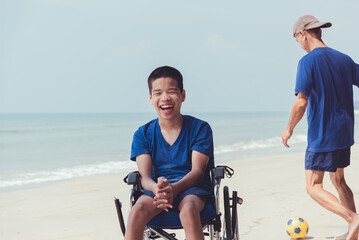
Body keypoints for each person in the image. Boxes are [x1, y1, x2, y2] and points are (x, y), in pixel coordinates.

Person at [281, 15, 359, 240]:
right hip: (345, 132)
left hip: (323, 135)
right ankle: (353, 233)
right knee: (338, 180)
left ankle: (354, 219)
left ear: (303, 34)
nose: (298, 44)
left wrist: (289, 129)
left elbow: (301, 101)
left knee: (314, 186)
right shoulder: (344, 59)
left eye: (296, 39)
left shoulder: (307, 62)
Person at [124, 66, 214, 240]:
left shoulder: (200, 128)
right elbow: (145, 177)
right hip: (156, 191)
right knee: (136, 211)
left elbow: (197, 172)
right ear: (150, 98)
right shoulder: (142, 134)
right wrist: (157, 189)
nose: (165, 98)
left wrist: (175, 188)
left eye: (171, 91)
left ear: (183, 95)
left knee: (188, 210)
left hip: (191, 189)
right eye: (158, 93)